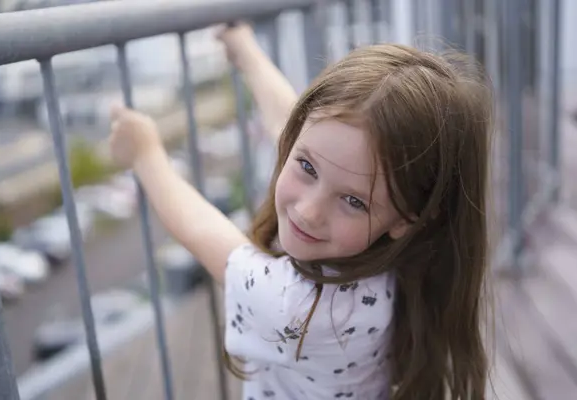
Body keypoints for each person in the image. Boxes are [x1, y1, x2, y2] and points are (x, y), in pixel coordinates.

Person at [109, 23, 492, 400]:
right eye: (307, 168)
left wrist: (145, 155)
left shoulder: (299, 308)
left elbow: (199, 228)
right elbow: (291, 123)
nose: (309, 212)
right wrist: (247, 53)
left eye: (353, 201)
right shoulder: (400, 252)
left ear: (406, 218)